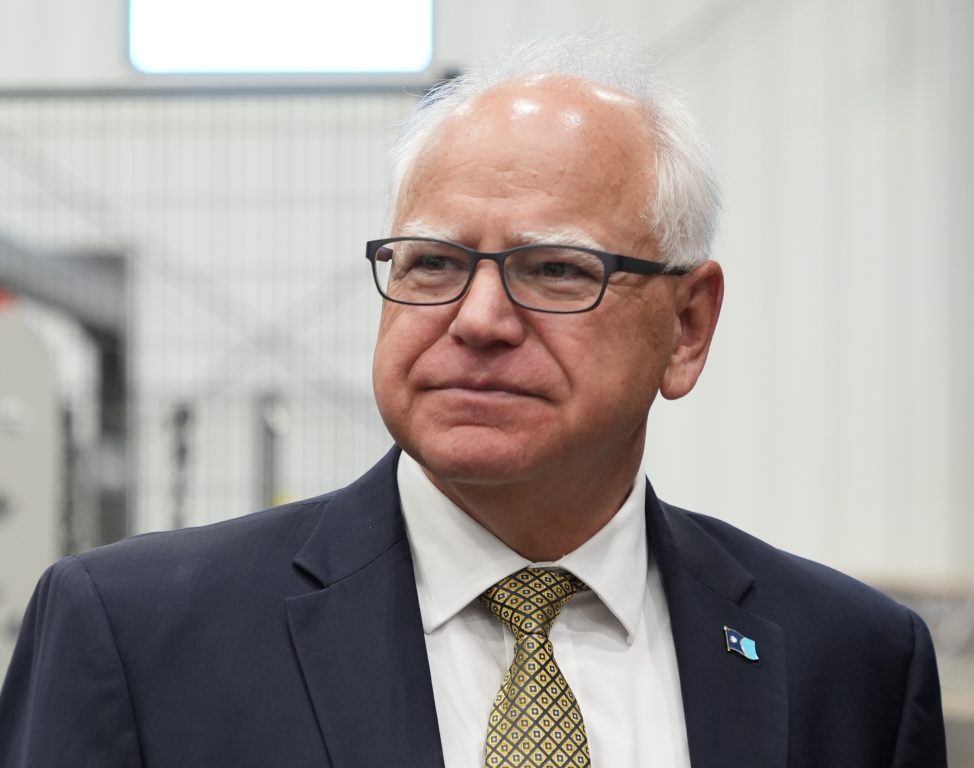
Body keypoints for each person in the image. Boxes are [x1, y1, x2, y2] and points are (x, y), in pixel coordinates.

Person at [0, 35, 947, 768]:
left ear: (688, 326)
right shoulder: (138, 637)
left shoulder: (852, 663)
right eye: (434, 263)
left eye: (556, 269)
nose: (479, 318)